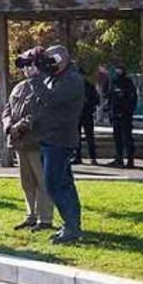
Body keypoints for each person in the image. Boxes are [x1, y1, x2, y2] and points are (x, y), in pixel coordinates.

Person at [29, 45, 85, 244]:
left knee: (53, 185)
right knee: (65, 184)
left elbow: (51, 99)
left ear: (61, 60)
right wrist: (35, 67)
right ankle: (72, 226)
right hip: (49, 137)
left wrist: (35, 77)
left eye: (50, 60)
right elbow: (40, 100)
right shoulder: (54, 77)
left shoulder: (72, 80)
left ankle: (71, 227)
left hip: (60, 139)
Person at [3, 46, 54, 231]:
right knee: (27, 182)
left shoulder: (46, 85)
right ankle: (30, 215)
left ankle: (45, 219)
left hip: (37, 141)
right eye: (23, 66)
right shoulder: (19, 87)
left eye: (29, 64)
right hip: (19, 142)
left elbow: (40, 112)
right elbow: (7, 109)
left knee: (43, 182)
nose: (26, 69)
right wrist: (8, 125)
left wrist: (21, 126)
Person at [108, 63, 137, 168]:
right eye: (116, 68)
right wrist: (111, 112)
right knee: (117, 138)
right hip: (115, 115)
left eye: (120, 69)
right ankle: (119, 159)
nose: (118, 71)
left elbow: (132, 99)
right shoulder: (114, 82)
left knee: (127, 138)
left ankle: (130, 160)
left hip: (125, 116)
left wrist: (127, 111)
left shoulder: (127, 82)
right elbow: (111, 98)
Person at [74, 69, 99, 165]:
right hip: (77, 115)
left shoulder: (89, 86)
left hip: (87, 114)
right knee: (77, 137)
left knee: (90, 137)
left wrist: (89, 105)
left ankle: (93, 157)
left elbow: (96, 99)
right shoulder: (75, 87)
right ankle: (77, 157)